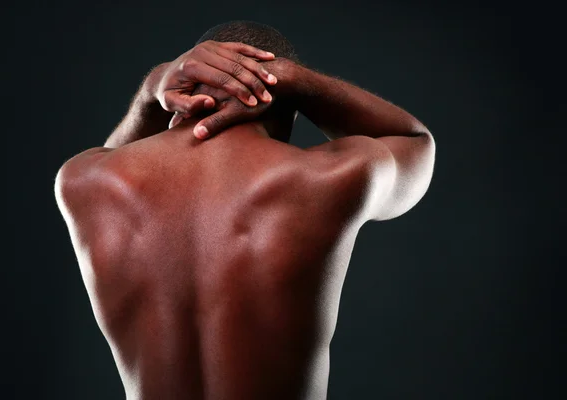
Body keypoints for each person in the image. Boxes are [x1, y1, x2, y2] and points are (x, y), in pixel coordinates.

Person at [55, 20, 435, 400]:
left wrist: (150, 90)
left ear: (179, 95)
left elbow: (115, 154)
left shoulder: (85, 182)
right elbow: (417, 142)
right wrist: (300, 82)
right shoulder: (326, 178)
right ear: (289, 111)